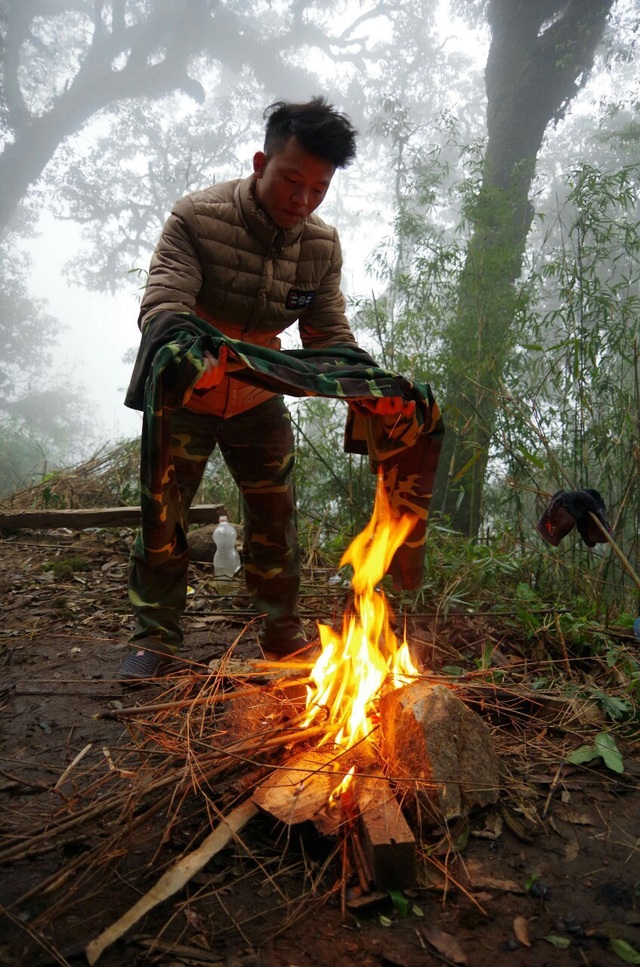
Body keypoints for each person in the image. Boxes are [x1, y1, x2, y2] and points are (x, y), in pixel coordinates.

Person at [119, 96, 361, 680]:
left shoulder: (321, 247)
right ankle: (156, 638)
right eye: (292, 181)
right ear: (261, 163)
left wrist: (367, 383)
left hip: (258, 399)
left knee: (276, 518)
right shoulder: (197, 218)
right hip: (187, 394)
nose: (303, 200)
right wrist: (194, 352)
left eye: (319, 188)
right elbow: (163, 304)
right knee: (163, 514)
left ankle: (281, 635)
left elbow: (328, 332)